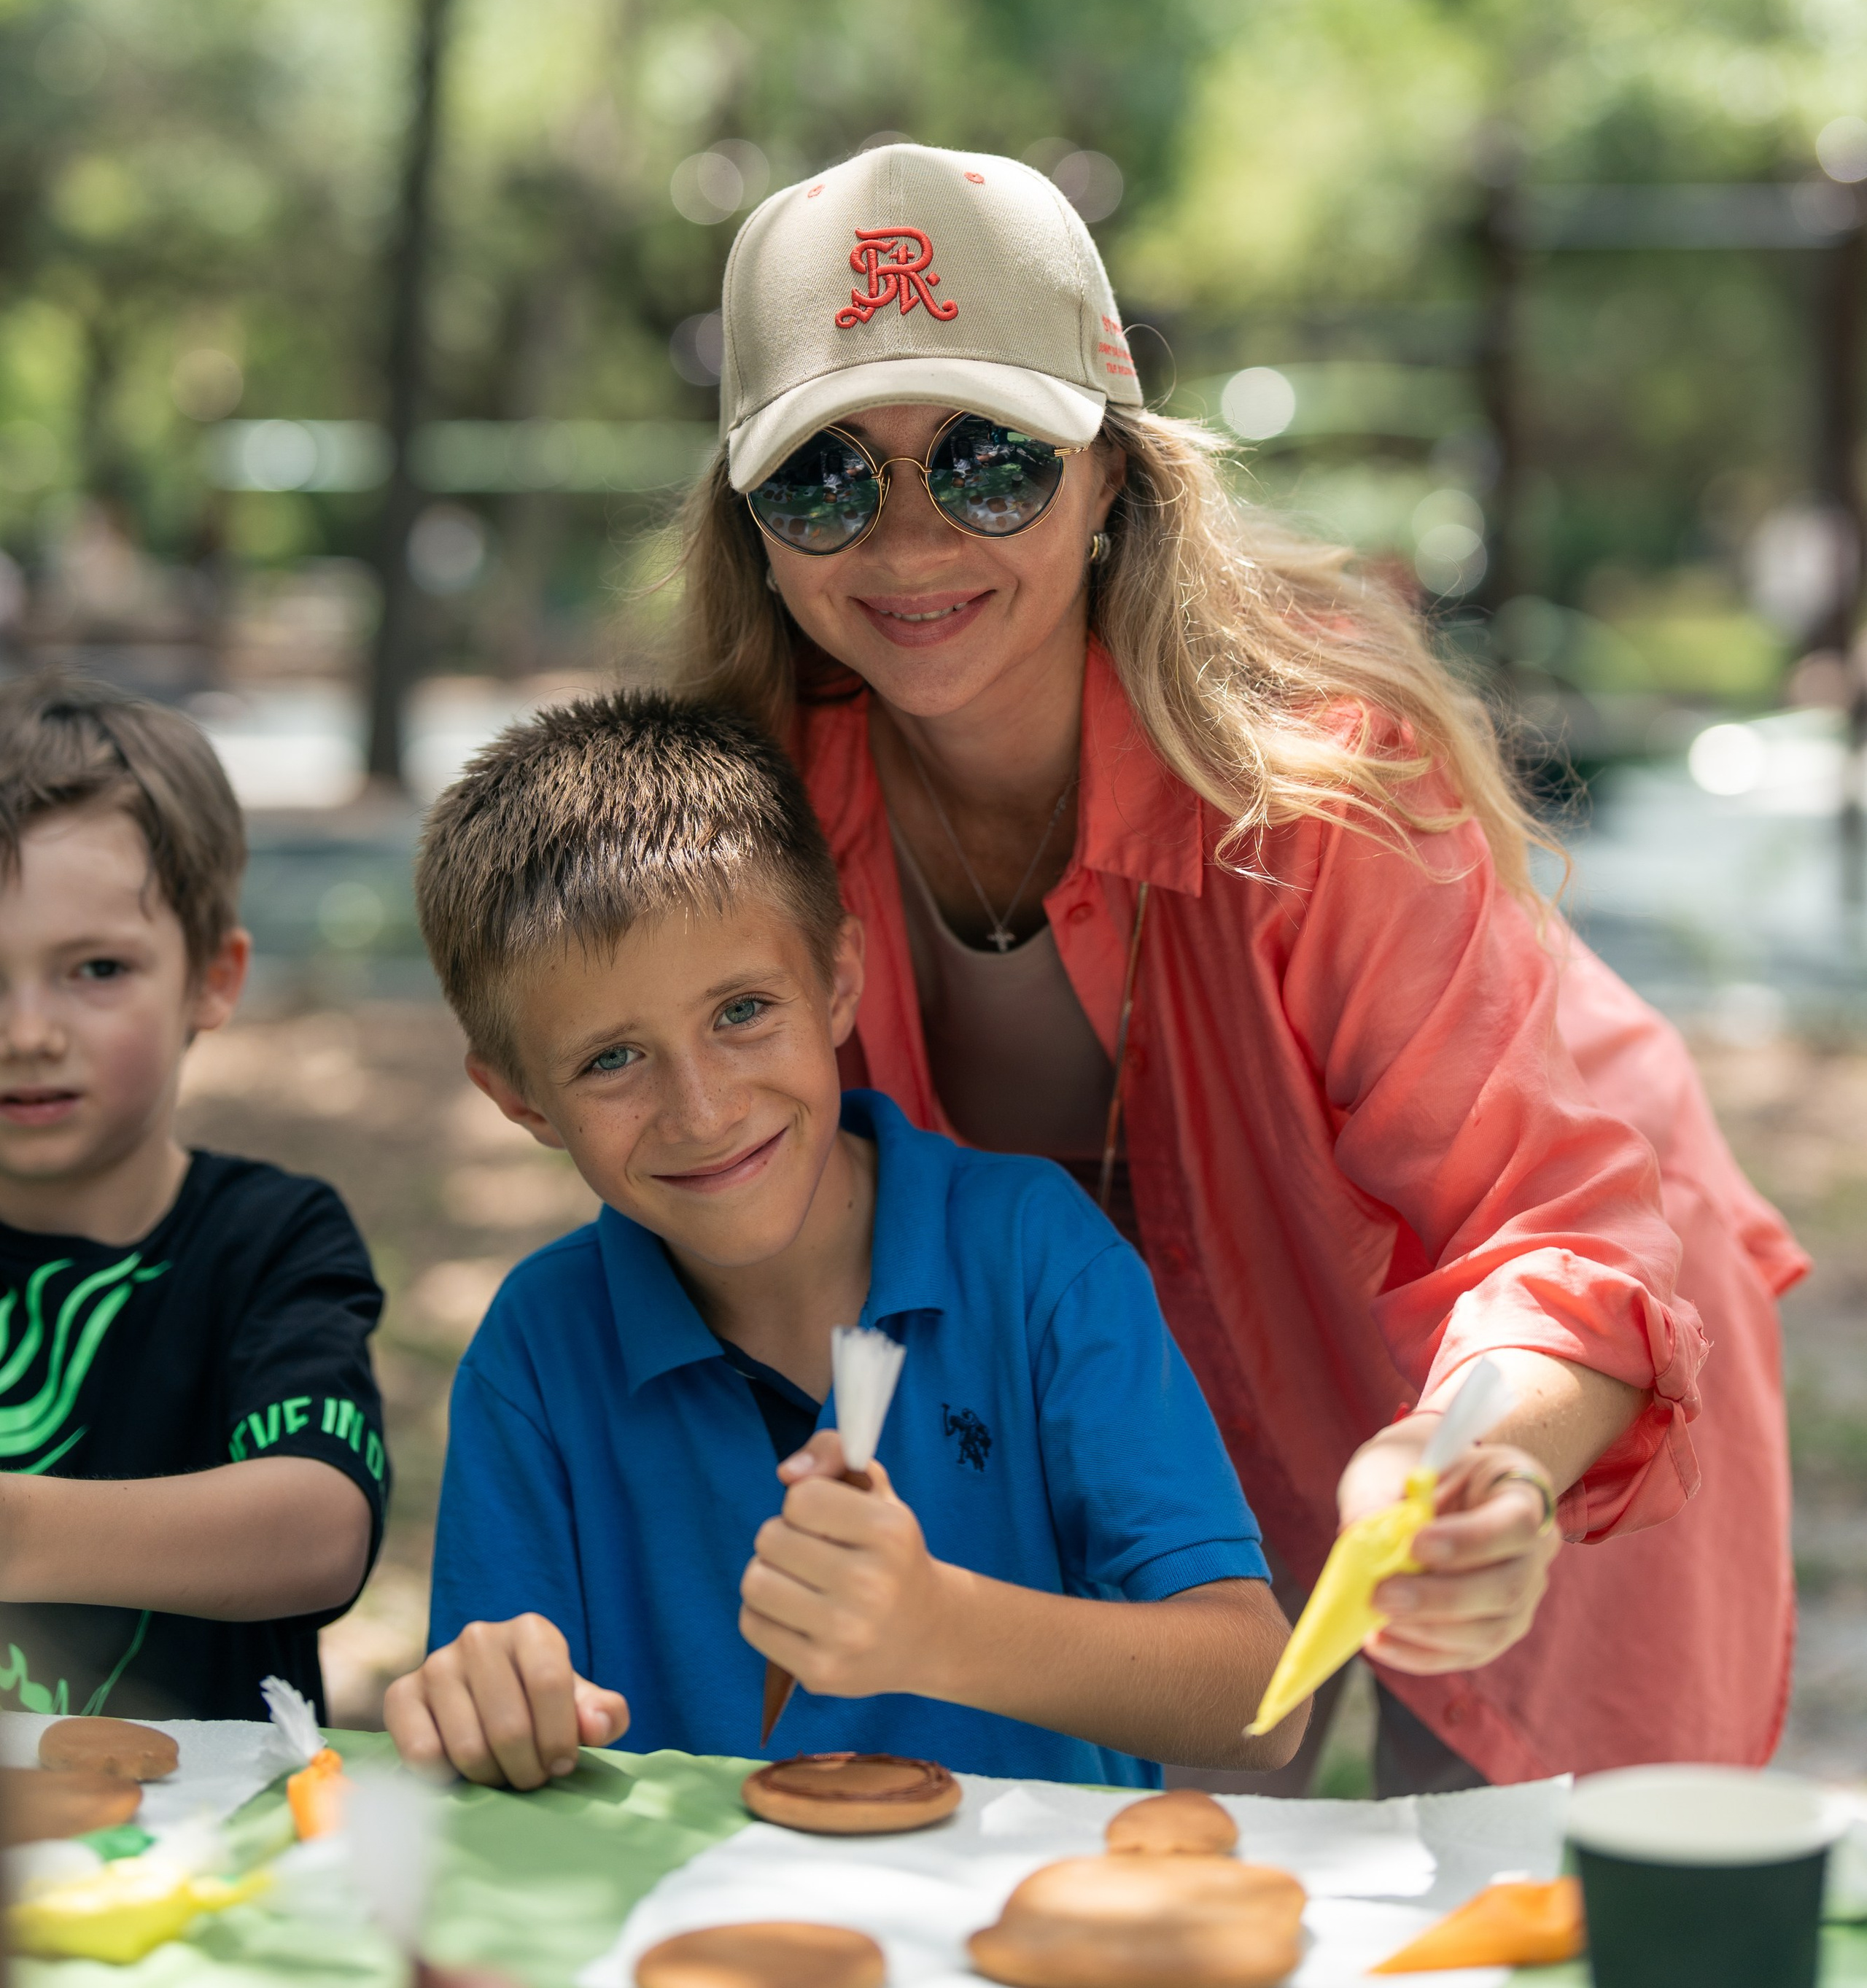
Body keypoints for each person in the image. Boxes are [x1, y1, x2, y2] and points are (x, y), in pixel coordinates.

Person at [672, 139, 1807, 1792]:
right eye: (825, 479)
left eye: (989, 461)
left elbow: (1544, 1222)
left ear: (1109, 479)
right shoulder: (760, 803)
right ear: (753, 528)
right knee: (1168, 1853)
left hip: (1522, 1345)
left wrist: (1486, 1461)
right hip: (1159, 1390)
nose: (909, 541)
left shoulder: (1317, 778)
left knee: (1502, 1850)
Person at [385, 693, 1313, 1790]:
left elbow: (1265, 1703)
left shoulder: (1035, 1259)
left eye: (741, 1012)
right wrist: (487, 1701)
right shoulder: (538, 1350)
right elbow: (506, 1726)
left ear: (836, 981)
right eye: (610, 1061)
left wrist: (941, 1629)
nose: (703, 1112)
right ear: (520, 1100)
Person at [0, 675, 388, 1721]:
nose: (27, 1032)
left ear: (213, 978)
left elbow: (320, 1528)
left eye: (95, 968)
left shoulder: (271, 1239)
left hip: (207, 1820)